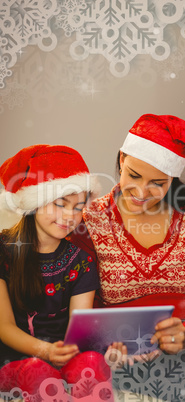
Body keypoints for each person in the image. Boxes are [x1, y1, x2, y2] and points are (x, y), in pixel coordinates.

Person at [71, 114, 185, 389]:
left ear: (172, 178)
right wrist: (110, 344)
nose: (141, 191)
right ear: (122, 160)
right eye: (133, 175)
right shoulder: (90, 220)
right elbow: (83, 308)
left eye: (157, 183)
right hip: (129, 361)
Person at [0, 145, 113, 401]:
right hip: (13, 360)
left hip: (62, 356)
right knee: (39, 371)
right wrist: (45, 351)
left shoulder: (81, 261)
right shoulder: (3, 252)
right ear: (35, 202)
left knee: (92, 363)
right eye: (60, 204)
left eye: (78, 207)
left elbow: (79, 329)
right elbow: (4, 326)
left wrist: (103, 347)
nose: (69, 216)